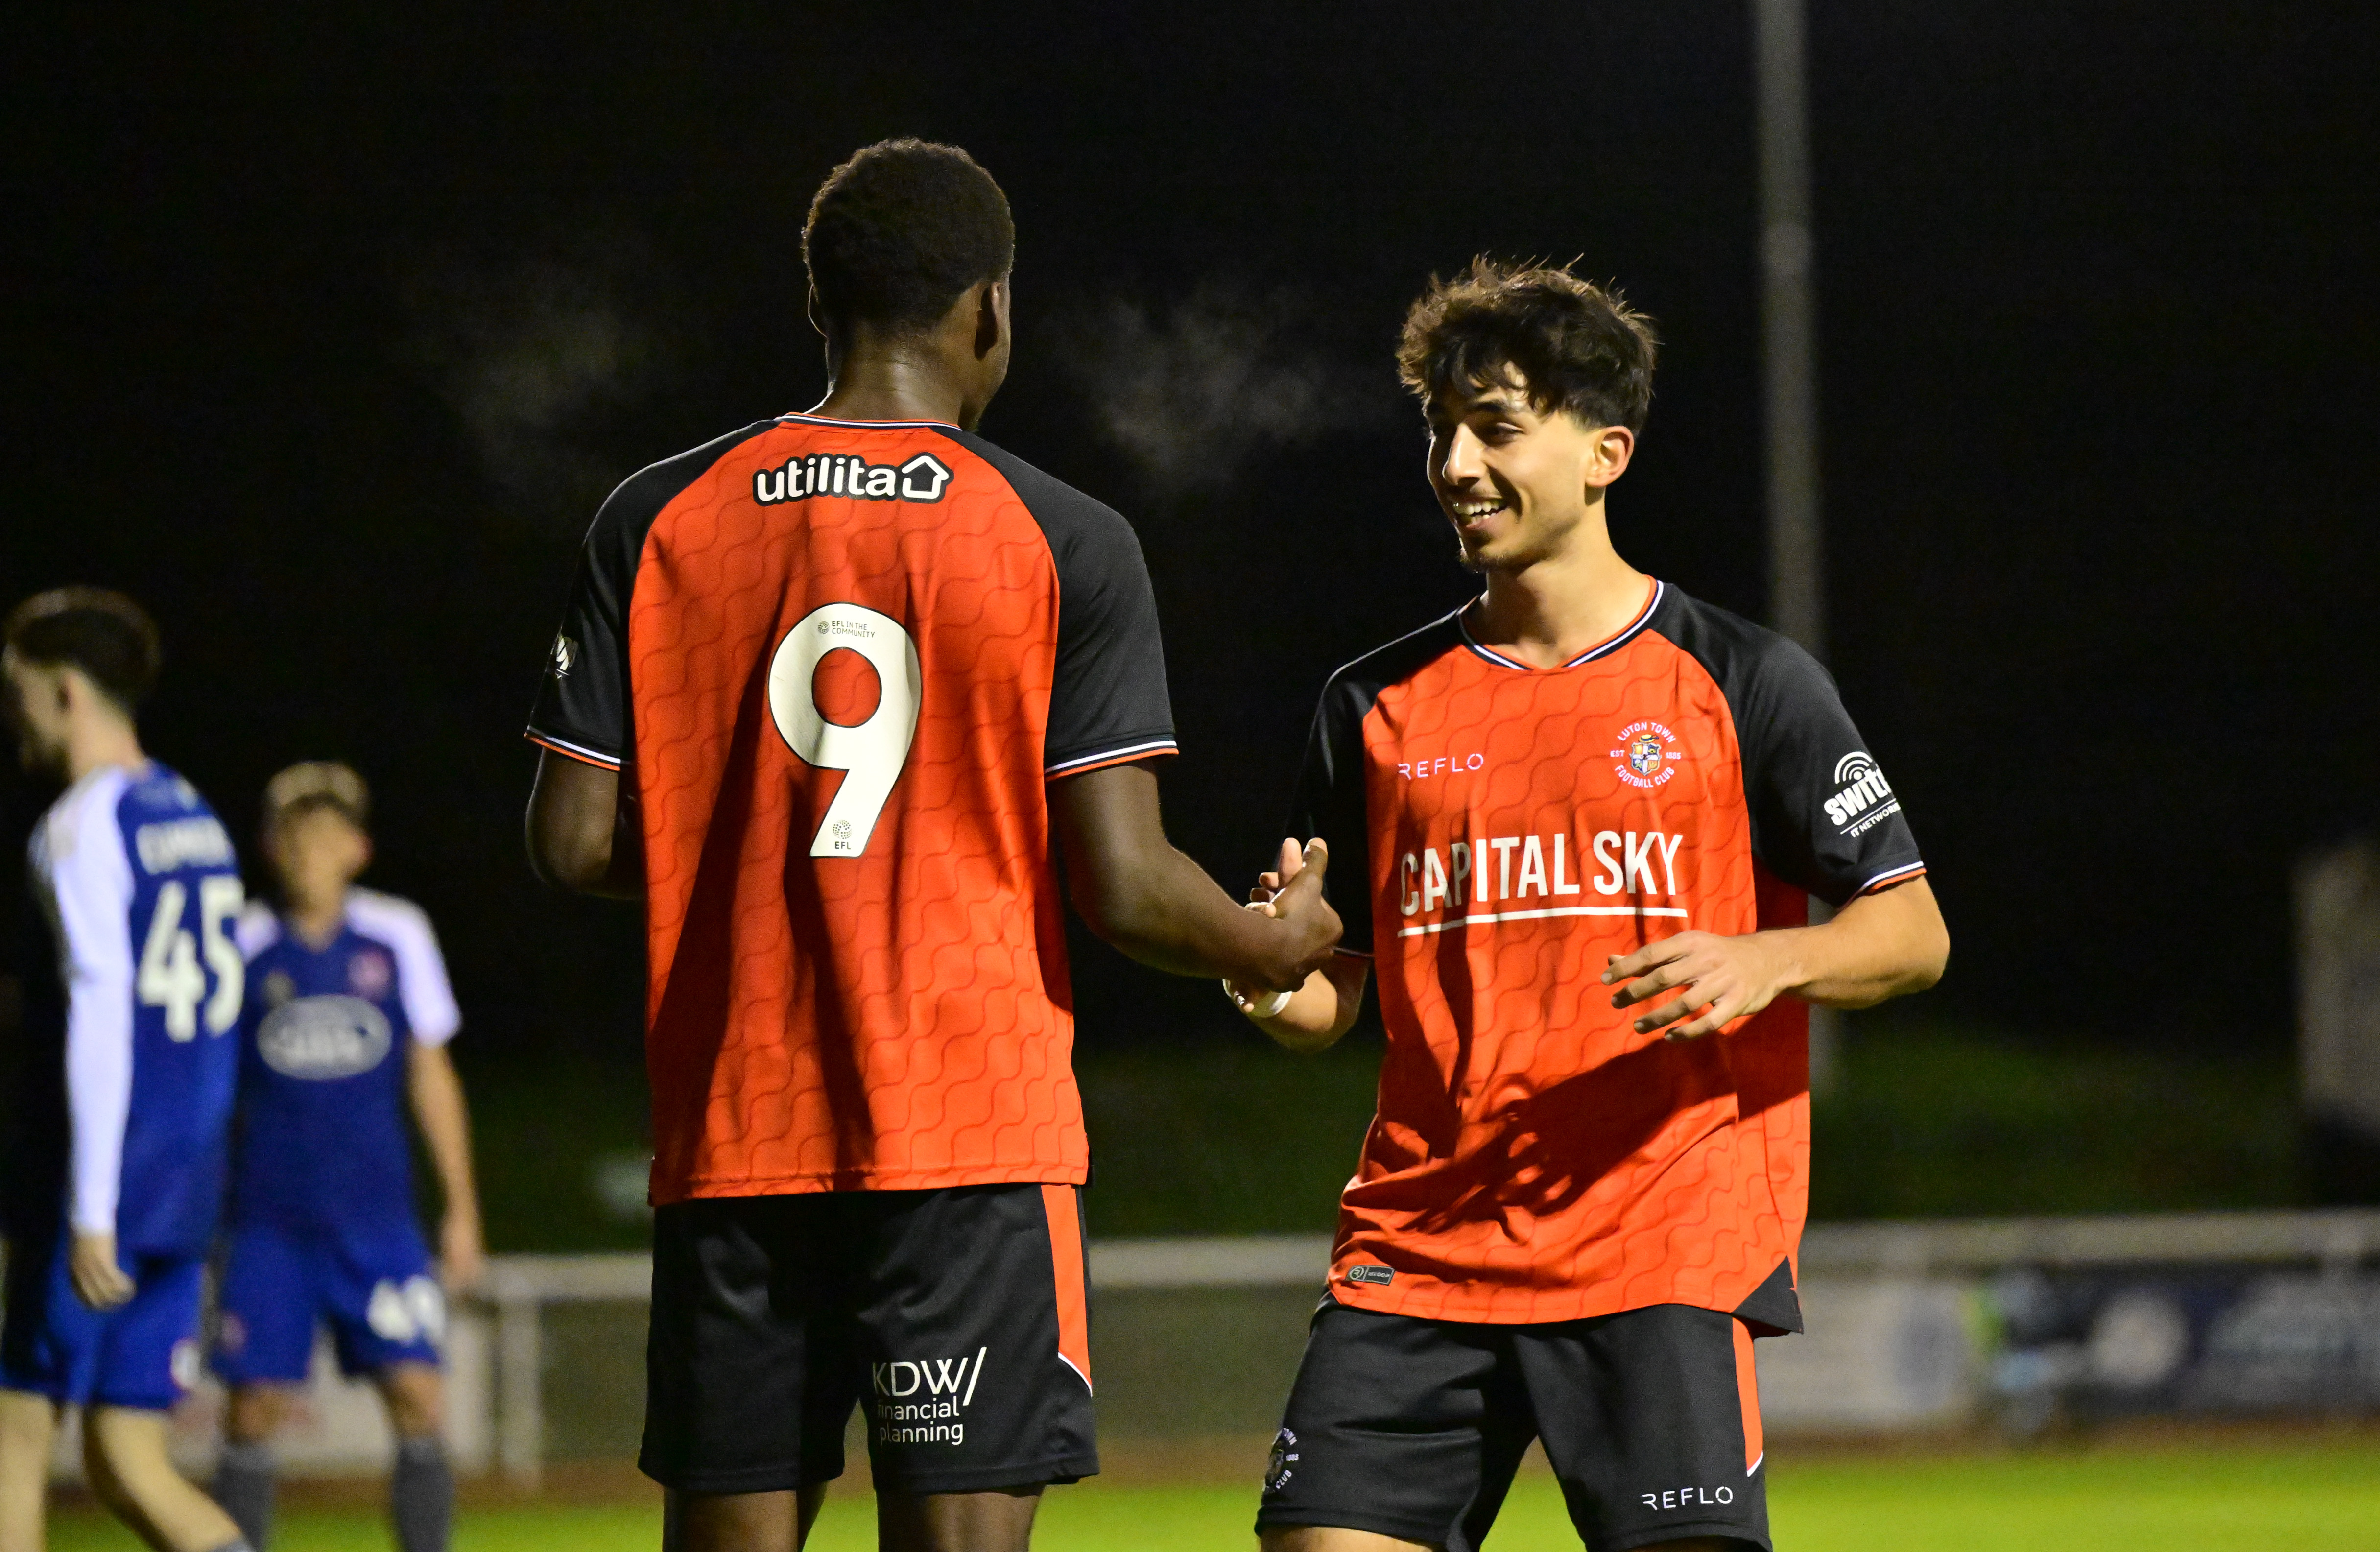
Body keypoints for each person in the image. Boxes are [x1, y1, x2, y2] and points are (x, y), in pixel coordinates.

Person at [521, 138, 1340, 1552]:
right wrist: (1277, 939)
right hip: (966, 1141)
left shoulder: (653, 516)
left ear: (818, 307)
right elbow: (1126, 884)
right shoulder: (1058, 536)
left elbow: (572, 838)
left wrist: (763, 854)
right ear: (988, 312)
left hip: (734, 1135)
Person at [1232, 261, 1951, 1552]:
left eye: (1496, 427)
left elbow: (1911, 933)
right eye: (1440, 427)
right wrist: (1269, 975)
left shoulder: (1745, 683)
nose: (1454, 461)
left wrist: (1760, 959)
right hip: (1419, 1248)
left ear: (1604, 452)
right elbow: (1336, 995)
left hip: (1657, 1248)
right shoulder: (1371, 705)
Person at [0, 588, 253, 1552]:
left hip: (101, 1182)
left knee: (14, 1439)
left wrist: (91, 1206)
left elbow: (104, 1014)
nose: (12, 711)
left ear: (65, 690)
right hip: (183, 1185)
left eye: (16, 689)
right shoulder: (193, 815)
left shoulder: (81, 824)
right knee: (125, 1455)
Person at [208, 762, 481, 1552]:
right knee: (252, 1405)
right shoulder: (241, 944)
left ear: (358, 847)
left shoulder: (397, 935)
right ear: (269, 846)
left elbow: (431, 1071)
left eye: (328, 831)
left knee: (419, 1394)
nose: (311, 848)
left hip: (377, 1218)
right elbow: (209, 1090)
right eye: (295, 831)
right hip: (269, 1220)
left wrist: (461, 1208)